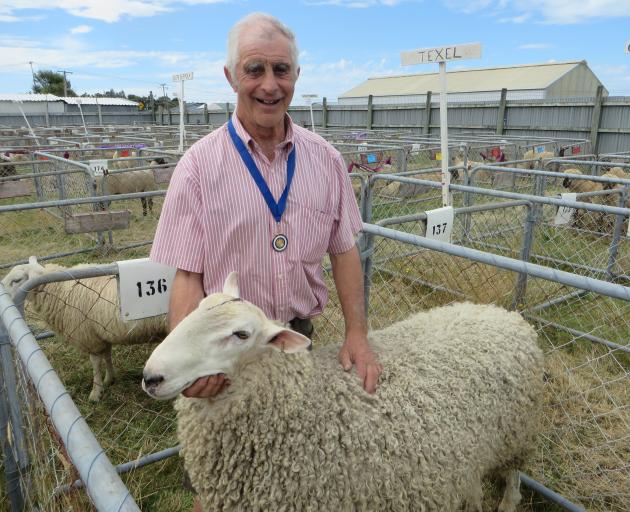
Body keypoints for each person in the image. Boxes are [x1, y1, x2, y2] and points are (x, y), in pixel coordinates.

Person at [151, 10, 381, 414]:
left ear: (296, 74)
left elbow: (344, 252)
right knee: (224, 459)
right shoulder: (198, 168)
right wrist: (188, 358)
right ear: (231, 77)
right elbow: (188, 273)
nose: (270, 85)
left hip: (293, 338)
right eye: (254, 69)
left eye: (282, 69)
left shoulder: (326, 161)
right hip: (226, 350)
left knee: (297, 453)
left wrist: (357, 334)